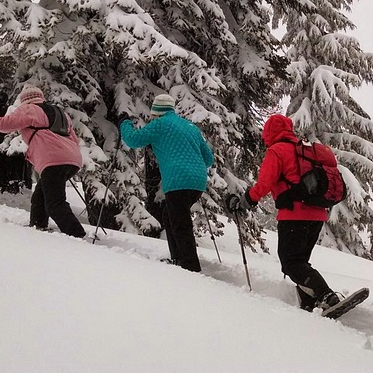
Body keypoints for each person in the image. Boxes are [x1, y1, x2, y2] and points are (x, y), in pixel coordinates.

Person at [225, 114, 348, 313]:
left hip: (294, 215)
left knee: (291, 263)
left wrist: (245, 202)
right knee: (300, 262)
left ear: (269, 133)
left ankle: (326, 294)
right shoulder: (306, 150)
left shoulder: (277, 151)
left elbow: (264, 184)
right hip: (317, 216)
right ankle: (310, 305)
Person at [119, 93, 214, 271]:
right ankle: (179, 259)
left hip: (177, 181)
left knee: (180, 223)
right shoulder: (190, 127)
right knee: (170, 216)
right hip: (198, 182)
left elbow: (132, 140)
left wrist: (124, 123)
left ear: (157, 111)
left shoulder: (160, 125)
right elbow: (208, 159)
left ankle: (190, 267)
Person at [0, 86, 86, 237]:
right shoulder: (59, 112)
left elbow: (4, 125)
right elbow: (74, 138)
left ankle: (77, 235)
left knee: (55, 203)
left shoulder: (29, 109)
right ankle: (38, 225)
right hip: (72, 159)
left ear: (24, 100)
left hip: (53, 160)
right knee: (41, 194)